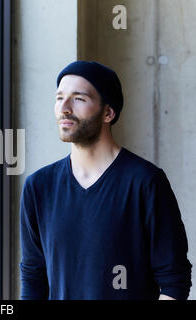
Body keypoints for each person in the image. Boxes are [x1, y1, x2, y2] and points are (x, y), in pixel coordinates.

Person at [19, 60, 192, 300]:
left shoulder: (146, 182)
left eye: (78, 98)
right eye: (59, 98)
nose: (64, 108)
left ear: (108, 113)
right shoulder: (38, 187)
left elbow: (174, 281)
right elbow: (34, 278)